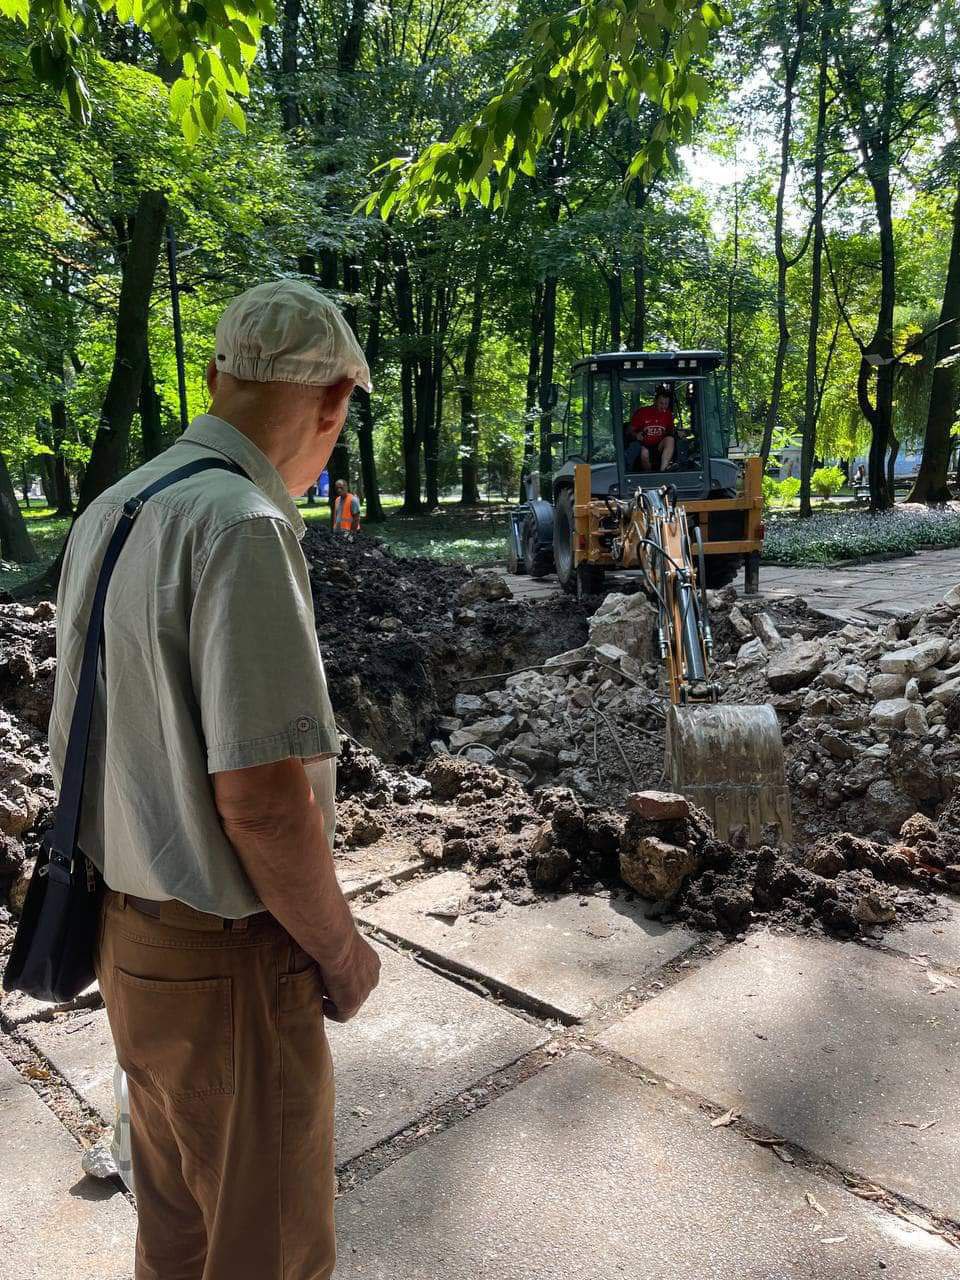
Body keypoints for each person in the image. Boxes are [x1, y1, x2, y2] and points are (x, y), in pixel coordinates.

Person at [49, 279, 381, 1280]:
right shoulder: (243, 523)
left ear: (214, 378)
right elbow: (263, 800)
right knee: (270, 1251)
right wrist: (343, 951)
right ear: (332, 404)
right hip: (230, 965)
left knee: (182, 1233)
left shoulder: (117, 505)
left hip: (131, 942)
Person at [627, 387, 676, 471]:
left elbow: (670, 431)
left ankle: (663, 471)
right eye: (661, 403)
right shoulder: (642, 412)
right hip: (644, 445)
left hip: (659, 446)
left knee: (670, 440)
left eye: (666, 404)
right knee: (644, 453)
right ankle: (650, 476)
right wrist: (636, 435)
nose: (663, 406)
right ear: (655, 401)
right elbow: (629, 430)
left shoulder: (668, 415)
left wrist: (678, 433)